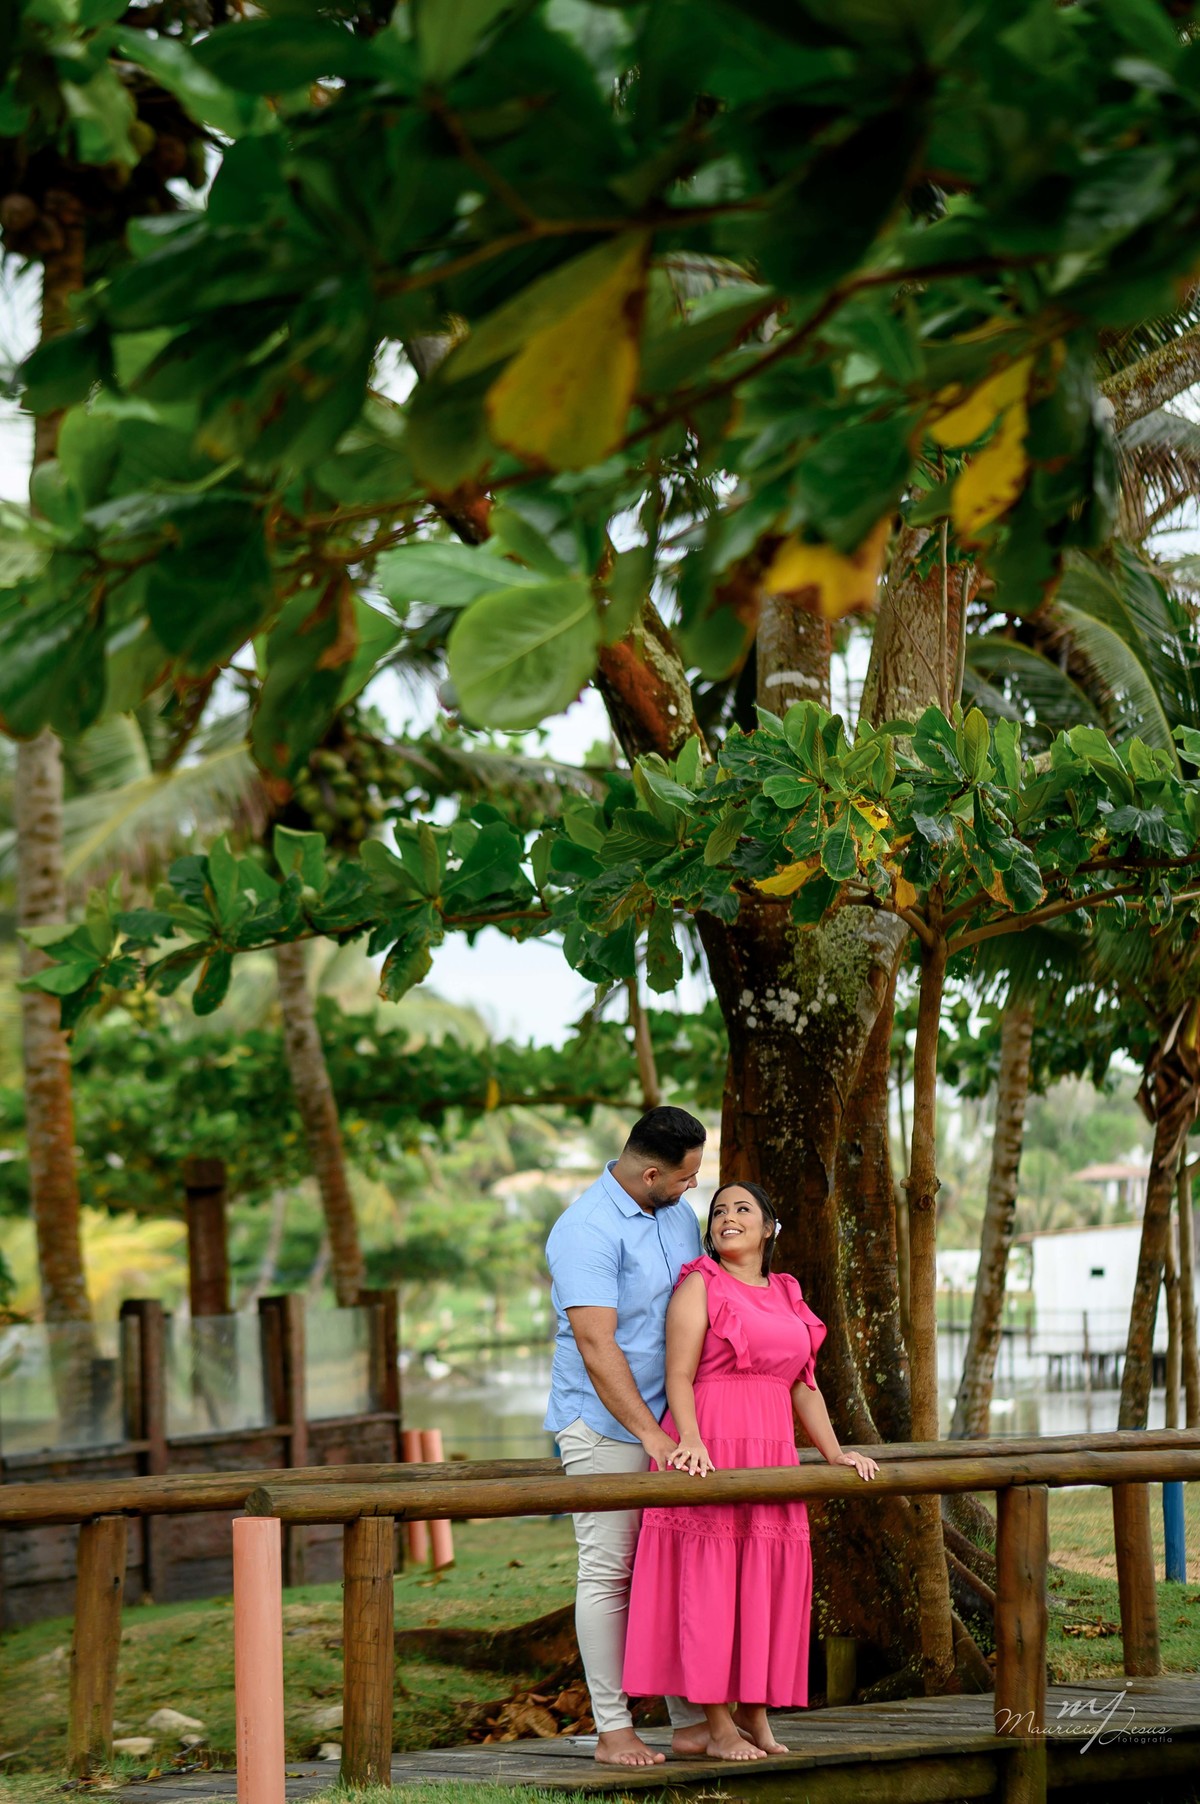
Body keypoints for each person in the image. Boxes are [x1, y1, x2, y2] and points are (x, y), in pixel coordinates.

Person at [622, 1181, 880, 1760]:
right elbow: (679, 1374)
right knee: (710, 1587)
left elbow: (803, 1384)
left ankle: (754, 1716)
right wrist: (690, 1439)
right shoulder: (700, 1283)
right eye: (718, 1211)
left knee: (765, 1585)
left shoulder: (787, 1291)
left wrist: (836, 1453)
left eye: (743, 1209)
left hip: (772, 1451)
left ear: (769, 1228)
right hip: (709, 1443)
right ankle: (716, 1727)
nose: (727, 1217)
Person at [544, 1106, 712, 1767]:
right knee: (609, 1572)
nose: (693, 1187)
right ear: (650, 1174)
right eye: (687, 1176)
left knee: (669, 1568)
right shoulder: (584, 1230)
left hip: (673, 1423)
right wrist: (650, 1436)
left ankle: (691, 1722)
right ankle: (613, 1731)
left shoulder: (677, 1214)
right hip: (604, 1424)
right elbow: (596, 1344)